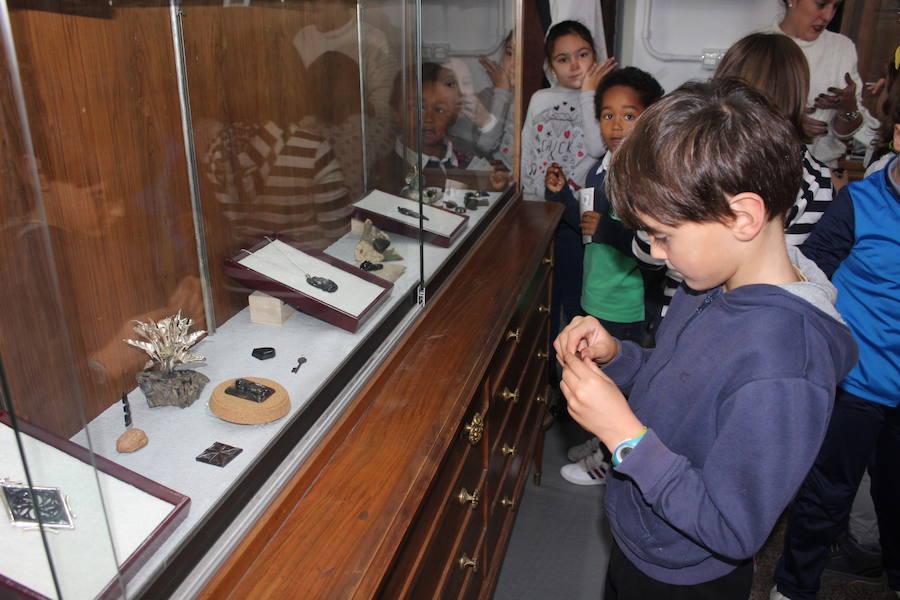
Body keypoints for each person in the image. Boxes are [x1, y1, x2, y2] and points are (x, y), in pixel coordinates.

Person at [554, 79, 857, 599]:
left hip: (686, 575)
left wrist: (624, 435)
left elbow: (731, 528)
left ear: (742, 217)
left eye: (664, 235)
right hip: (642, 537)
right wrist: (618, 357)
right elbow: (677, 381)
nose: (654, 249)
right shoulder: (709, 279)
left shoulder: (785, 363)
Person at [771, 64, 900, 600]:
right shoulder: (860, 203)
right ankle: (792, 588)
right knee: (826, 495)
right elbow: (812, 274)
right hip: (856, 383)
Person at [633, 32, 834, 328]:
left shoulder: (691, 161)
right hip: (748, 322)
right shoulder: (817, 179)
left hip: (699, 320)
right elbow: (784, 265)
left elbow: (647, 253)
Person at [545, 66, 664, 486]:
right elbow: (586, 223)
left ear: (650, 118)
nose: (616, 125)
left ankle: (612, 461)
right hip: (596, 295)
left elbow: (657, 252)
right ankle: (601, 443)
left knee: (620, 393)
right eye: (607, 115)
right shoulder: (601, 166)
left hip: (626, 306)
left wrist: (611, 232)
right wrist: (561, 195)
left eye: (629, 115)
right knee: (594, 382)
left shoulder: (646, 178)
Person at [520, 20, 616, 361]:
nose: (575, 65)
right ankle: (544, 375)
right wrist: (528, 207)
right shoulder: (540, 98)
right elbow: (528, 153)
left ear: (596, 56)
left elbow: (594, 146)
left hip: (578, 217)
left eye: (583, 55)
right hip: (542, 212)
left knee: (575, 301)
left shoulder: (603, 98)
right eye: (563, 59)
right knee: (544, 299)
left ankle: (571, 375)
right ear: (549, 67)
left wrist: (591, 92)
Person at [772, 0, 873, 168]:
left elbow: (846, 133)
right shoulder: (761, 46)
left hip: (824, 171)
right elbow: (739, 119)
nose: (828, 16)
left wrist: (848, 108)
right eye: (821, 4)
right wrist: (789, 125)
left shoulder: (842, 48)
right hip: (772, 169)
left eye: (835, 6)